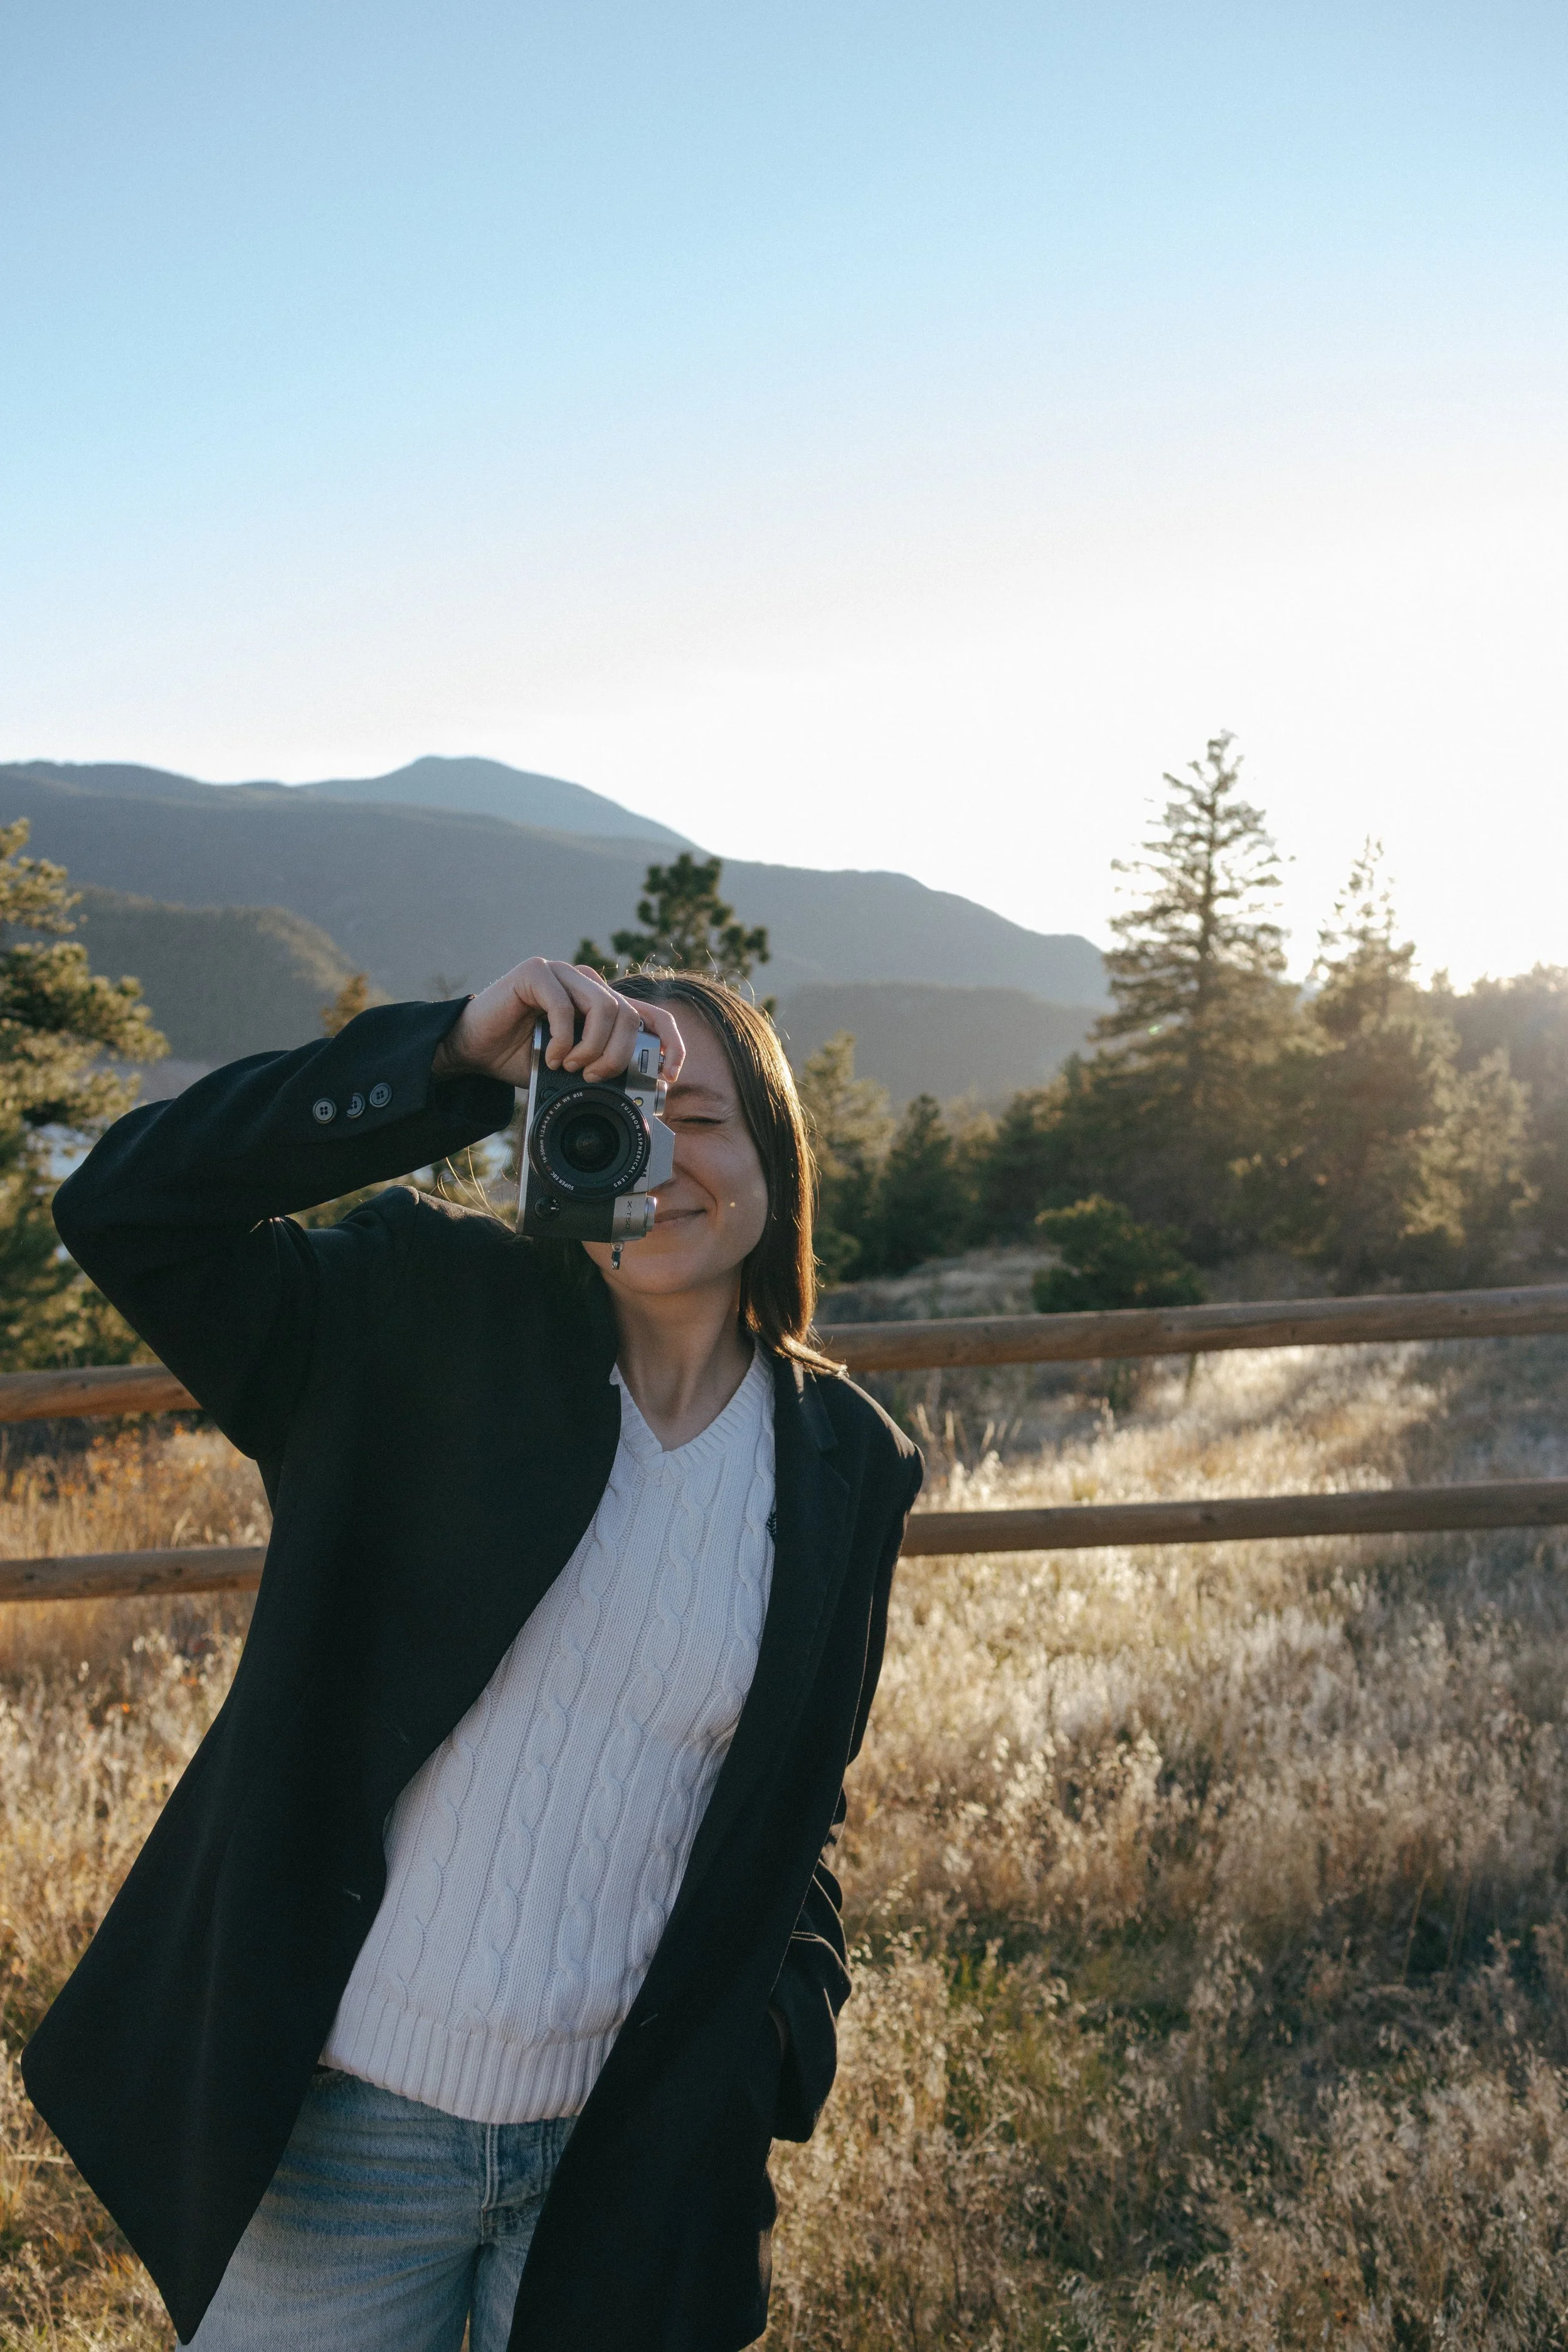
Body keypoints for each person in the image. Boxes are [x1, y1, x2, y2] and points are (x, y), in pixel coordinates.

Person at [24, 957, 922, 2352]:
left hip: (627, 2162)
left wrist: (762, 2064)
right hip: (338, 2149)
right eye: (616, 1106)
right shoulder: (419, 1316)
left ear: (772, 1154)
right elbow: (125, 1207)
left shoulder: (844, 1462)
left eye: (700, 1117)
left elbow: (795, 1805)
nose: (659, 1157)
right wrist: (447, 1058)